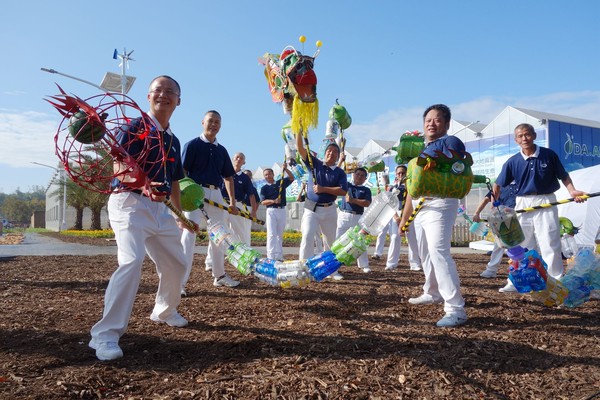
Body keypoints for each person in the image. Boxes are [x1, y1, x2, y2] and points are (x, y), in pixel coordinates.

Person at [89, 75, 193, 361]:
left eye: (170, 91)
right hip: (129, 204)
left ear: (178, 101)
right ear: (148, 96)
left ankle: (164, 310)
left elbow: (174, 182)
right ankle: (105, 335)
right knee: (132, 261)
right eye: (158, 90)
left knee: (177, 263)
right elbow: (118, 165)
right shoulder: (133, 127)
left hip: (159, 209)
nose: (164, 95)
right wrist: (142, 184)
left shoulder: (173, 140)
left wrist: (180, 215)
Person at [493, 123, 587, 292]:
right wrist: (496, 205)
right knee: (521, 243)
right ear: (516, 140)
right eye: (520, 136)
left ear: (534, 135)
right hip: (522, 202)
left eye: (527, 134)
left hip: (546, 200)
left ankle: (555, 279)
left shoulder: (548, 155)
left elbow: (563, 176)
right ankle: (517, 280)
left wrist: (572, 191)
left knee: (549, 240)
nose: (524, 138)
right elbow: (498, 184)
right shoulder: (512, 161)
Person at [399, 104, 468, 328]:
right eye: (428, 119)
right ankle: (432, 291)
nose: (431, 123)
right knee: (425, 253)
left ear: (446, 124)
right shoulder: (422, 151)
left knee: (439, 252)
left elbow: (455, 166)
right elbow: (412, 189)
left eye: (437, 120)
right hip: (421, 205)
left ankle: (455, 308)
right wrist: (404, 219)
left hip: (440, 202)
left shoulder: (451, 142)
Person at [180, 110, 240, 291]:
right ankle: (179, 282)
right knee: (188, 236)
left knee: (219, 236)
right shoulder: (192, 145)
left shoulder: (222, 150)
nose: (213, 125)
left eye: (217, 122)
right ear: (202, 122)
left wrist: (232, 202)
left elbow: (228, 177)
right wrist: (185, 192)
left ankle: (219, 275)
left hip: (216, 195)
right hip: (193, 193)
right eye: (210, 121)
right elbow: (182, 173)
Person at [295, 132, 348, 279]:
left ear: (338, 156)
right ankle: (303, 269)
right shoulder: (315, 164)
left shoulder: (339, 172)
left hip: (330, 209)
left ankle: (332, 271)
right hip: (311, 208)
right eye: (329, 151)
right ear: (325, 153)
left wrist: (324, 189)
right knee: (307, 236)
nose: (332, 153)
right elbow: (300, 148)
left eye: (335, 152)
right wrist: (299, 131)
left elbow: (343, 190)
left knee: (330, 241)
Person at [473, 183, 516, 278]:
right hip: (502, 219)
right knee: (499, 245)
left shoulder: (520, 184)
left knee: (519, 244)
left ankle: (520, 269)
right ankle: (491, 270)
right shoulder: (499, 187)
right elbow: (486, 199)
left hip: (517, 218)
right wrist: (477, 213)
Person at [384, 165, 422, 272]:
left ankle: (415, 263)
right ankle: (391, 263)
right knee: (395, 238)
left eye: (403, 173)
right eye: (399, 173)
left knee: (412, 239)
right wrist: (396, 217)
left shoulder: (411, 187)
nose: (401, 175)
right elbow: (389, 205)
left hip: (410, 214)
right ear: (396, 175)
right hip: (396, 214)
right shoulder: (392, 188)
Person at [335, 167, 372, 274]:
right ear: (353, 175)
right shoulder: (346, 186)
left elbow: (367, 203)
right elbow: (338, 178)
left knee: (360, 240)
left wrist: (353, 200)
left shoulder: (366, 190)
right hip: (344, 215)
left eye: (362, 175)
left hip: (358, 217)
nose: (359, 177)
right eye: (357, 174)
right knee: (338, 240)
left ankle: (364, 265)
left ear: (365, 178)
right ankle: (335, 266)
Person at [260, 164, 295, 261]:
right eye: (265, 175)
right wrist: (273, 201)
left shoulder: (281, 183)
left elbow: (292, 178)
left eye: (269, 174)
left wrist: (286, 169)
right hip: (271, 211)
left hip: (282, 210)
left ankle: (279, 255)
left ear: (273, 174)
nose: (267, 176)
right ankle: (270, 256)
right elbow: (263, 202)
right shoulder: (264, 188)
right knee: (271, 234)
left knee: (280, 234)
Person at [223, 152, 258, 245]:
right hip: (222, 203)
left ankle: (244, 253)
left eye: (241, 158)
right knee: (222, 230)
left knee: (239, 231)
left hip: (237, 205)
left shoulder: (245, 178)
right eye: (237, 157)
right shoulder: (224, 173)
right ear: (232, 159)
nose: (238, 159)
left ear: (244, 162)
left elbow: (251, 195)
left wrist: (253, 212)